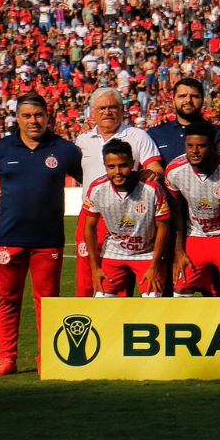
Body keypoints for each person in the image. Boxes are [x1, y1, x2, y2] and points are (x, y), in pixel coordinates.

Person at [0, 93, 83, 377]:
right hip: (9, 238)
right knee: (8, 301)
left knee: (47, 302)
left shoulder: (64, 149)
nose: (33, 121)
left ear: (48, 117)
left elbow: (91, 179)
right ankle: (6, 359)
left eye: (38, 115)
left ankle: (47, 357)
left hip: (49, 241)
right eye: (27, 116)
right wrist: (6, 207)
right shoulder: (1, 149)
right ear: (17, 119)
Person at [73, 87, 163, 297]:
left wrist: (147, 175)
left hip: (130, 216)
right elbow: (79, 173)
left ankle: (119, 327)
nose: (107, 112)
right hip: (92, 216)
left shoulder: (137, 136)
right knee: (88, 279)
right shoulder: (82, 141)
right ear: (92, 113)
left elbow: (156, 168)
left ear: (122, 110)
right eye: (102, 108)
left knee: (120, 285)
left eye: (113, 107)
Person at [163, 123, 220, 298]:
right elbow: (177, 214)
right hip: (196, 236)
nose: (194, 151)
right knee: (180, 291)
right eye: (190, 146)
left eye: (201, 146)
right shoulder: (174, 171)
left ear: (213, 147)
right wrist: (179, 252)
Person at [82, 139, 172, 298]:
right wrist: (95, 268)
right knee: (102, 299)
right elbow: (89, 226)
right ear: (105, 166)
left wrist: (155, 266)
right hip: (113, 252)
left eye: (122, 165)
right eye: (111, 167)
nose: (117, 171)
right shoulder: (97, 189)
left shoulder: (151, 188)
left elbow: (163, 227)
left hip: (147, 253)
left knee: (153, 299)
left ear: (132, 163)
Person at [148, 78, 220, 165]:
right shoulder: (156, 133)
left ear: (202, 100)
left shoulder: (216, 132)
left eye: (194, 96)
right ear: (173, 100)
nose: (188, 100)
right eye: (182, 96)